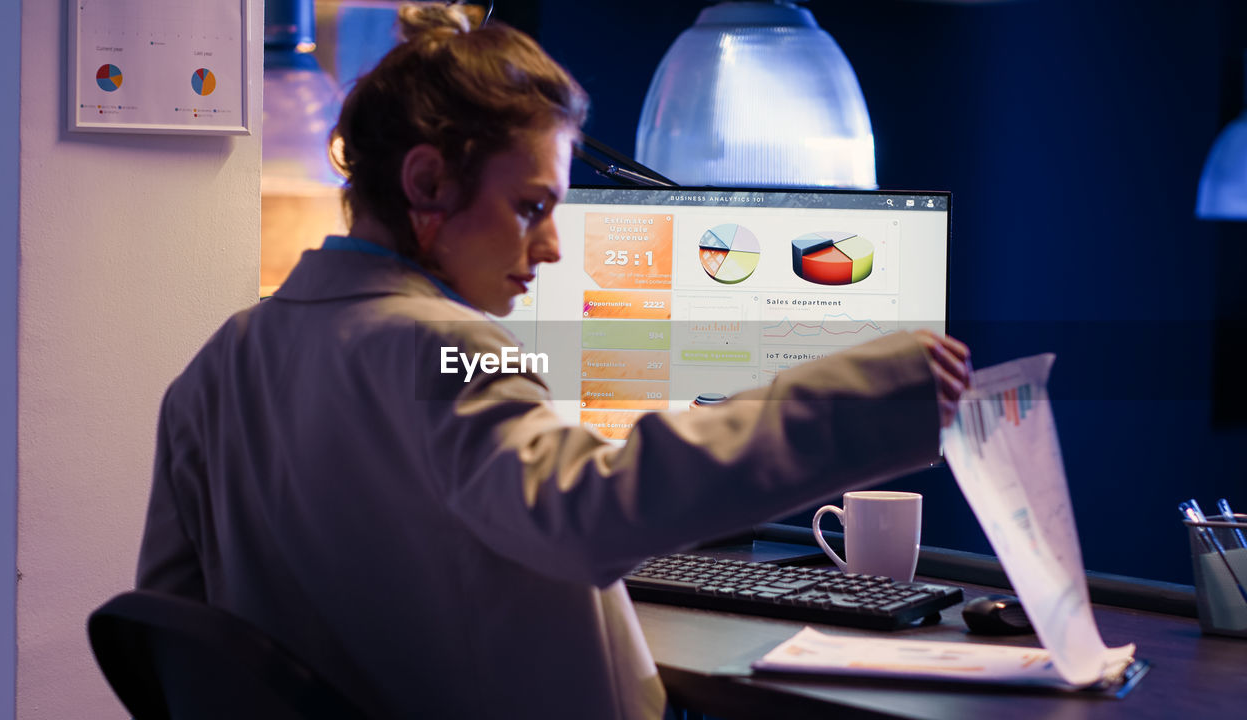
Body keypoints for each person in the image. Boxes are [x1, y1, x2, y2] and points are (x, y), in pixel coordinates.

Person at [137, 4, 972, 718]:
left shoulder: (220, 364)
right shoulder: (447, 352)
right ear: (427, 184)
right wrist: (869, 396)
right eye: (530, 205)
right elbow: (594, 514)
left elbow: (178, 643)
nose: (550, 246)